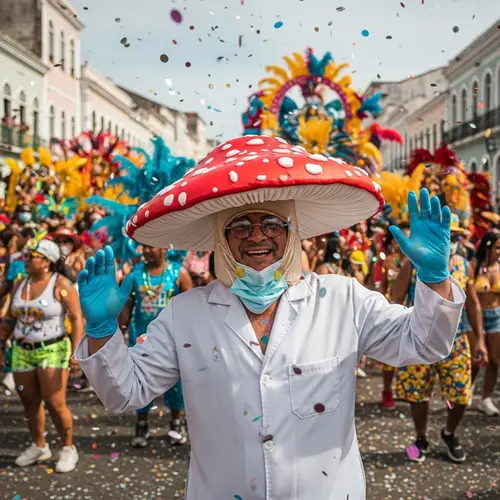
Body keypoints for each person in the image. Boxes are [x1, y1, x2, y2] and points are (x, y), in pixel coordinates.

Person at [74, 136, 465, 499]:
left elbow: (425, 343)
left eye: (272, 223)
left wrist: (435, 279)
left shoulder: (342, 299)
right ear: (221, 239)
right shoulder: (185, 314)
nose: (257, 236)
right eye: (239, 226)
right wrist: (102, 331)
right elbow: (126, 392)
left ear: (291, 232)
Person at [393, 215, 487, 463]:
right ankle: (421, 438)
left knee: (461, 395)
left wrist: (481, 341)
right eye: (450, 236)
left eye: (456, 237)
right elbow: (395, 300)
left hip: (455, 343)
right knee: (416, 394)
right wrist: (393, 338)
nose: (453, 242)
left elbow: (474, 305)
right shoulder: (411, 264)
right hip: (417, 340)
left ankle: (449, 433)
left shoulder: (465, 266)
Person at [0, 238, 83, 472]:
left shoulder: (61, 284)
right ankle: (39, 446)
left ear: (46, 261)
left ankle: (68, 448)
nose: (24, 260)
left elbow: (77, 318)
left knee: (55, 403)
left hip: (53, 349)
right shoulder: (20, 284)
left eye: (30, 256)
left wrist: (76, 353)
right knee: (29, 402)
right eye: (24, 255)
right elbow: (10, 318)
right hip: (21, 350)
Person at [118, 245, 193, 447]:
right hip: (141, 339)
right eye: (145, 248)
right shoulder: (135, 275)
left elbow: (191, 306)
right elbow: (127, 306)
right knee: (141, 381)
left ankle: (176, 423)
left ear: (163, 248)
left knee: (175, 384)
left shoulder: (178, 272)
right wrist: (119, 333)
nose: (148, 251)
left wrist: (190, 336)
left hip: (172, 340)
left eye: (152, 247)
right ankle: (142, 425)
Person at [471, 232, 500, 416]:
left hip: (497, 316)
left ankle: (486, 398)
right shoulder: (474, 266)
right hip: (477, 317)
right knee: (476, 359)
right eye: (497, 247)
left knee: (494, 360)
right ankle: (468, 388)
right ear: (488, 247)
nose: (499, 251)